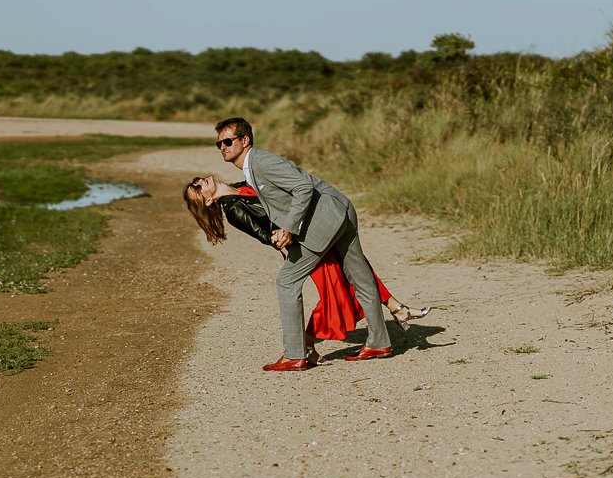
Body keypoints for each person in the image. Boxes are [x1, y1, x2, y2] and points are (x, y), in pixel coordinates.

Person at [183, 175, 429, 370]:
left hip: (313, 232)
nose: (200, 181)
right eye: (198, 188)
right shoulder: (234, 210)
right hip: (302, 246)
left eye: (197, 181)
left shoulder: (243, 185)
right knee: (334, 293)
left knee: (357, 267)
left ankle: (397, 307)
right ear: (207, 202)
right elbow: (266, 236)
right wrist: (282, 235)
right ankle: (308, 344)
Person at [212, 116, 399, 368]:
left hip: (325, 219)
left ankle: (295, 354)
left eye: (227, 141)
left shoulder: (262, 162)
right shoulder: (253, 166)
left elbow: (303, 187)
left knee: (286, 281)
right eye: (219, 144)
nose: (223, 147)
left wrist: (288, 228)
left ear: (245, 140)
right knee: (360, 276)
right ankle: (379, 342)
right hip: (338, 209)